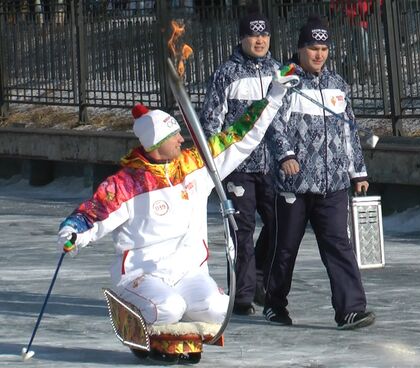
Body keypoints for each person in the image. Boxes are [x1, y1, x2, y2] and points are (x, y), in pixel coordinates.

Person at [56, 69, 297, 332]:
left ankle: (174, 317)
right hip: (142, 274)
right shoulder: (126, 183)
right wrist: (73, 232)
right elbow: (92, 214)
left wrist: (274, 94)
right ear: (156, 143)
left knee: (219, 309)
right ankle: (131, 306)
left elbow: (240, 135)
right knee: (169, 308)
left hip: (188, 272)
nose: (182, 138)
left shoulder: (195, 165)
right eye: (174, 136)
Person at [264, 15, 376, 330]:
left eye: (324, 48)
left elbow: (349, 131)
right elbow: (272, 124)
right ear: (301, 49)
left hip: (333, 185)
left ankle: (350, 309)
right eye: (313, 48)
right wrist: (285, 155)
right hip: (294, 185)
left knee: (339, 245)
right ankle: (274, 303)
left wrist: (358, 172)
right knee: (285, 247)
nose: (319, 54)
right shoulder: (285, 81)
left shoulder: (337, 85)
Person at [200, 5, 280, 316]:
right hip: (238, 167)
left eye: (264, 34)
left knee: (281, 225)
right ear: (242, 37)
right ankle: (243, 295)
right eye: (253, 35)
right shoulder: (227, 73)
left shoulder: (278, 72)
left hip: (273, 165)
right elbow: (211, 120)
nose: (259, 41)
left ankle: (258, 277)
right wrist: (214, 163)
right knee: (241, 230)